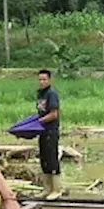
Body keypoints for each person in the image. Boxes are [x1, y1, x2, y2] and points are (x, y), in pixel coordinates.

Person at [36, 68, 62, 199]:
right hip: (42, 130)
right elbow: (41, 112)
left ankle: (57, 189)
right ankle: (47, 189)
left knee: (52, 159)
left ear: (49, 80)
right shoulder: (40, 94)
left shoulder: (51, 94)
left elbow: (53, 114)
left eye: (44, 79)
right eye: (40, 79)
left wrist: (38, 121)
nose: (41, 82)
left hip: (51, 130)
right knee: (43, 159)